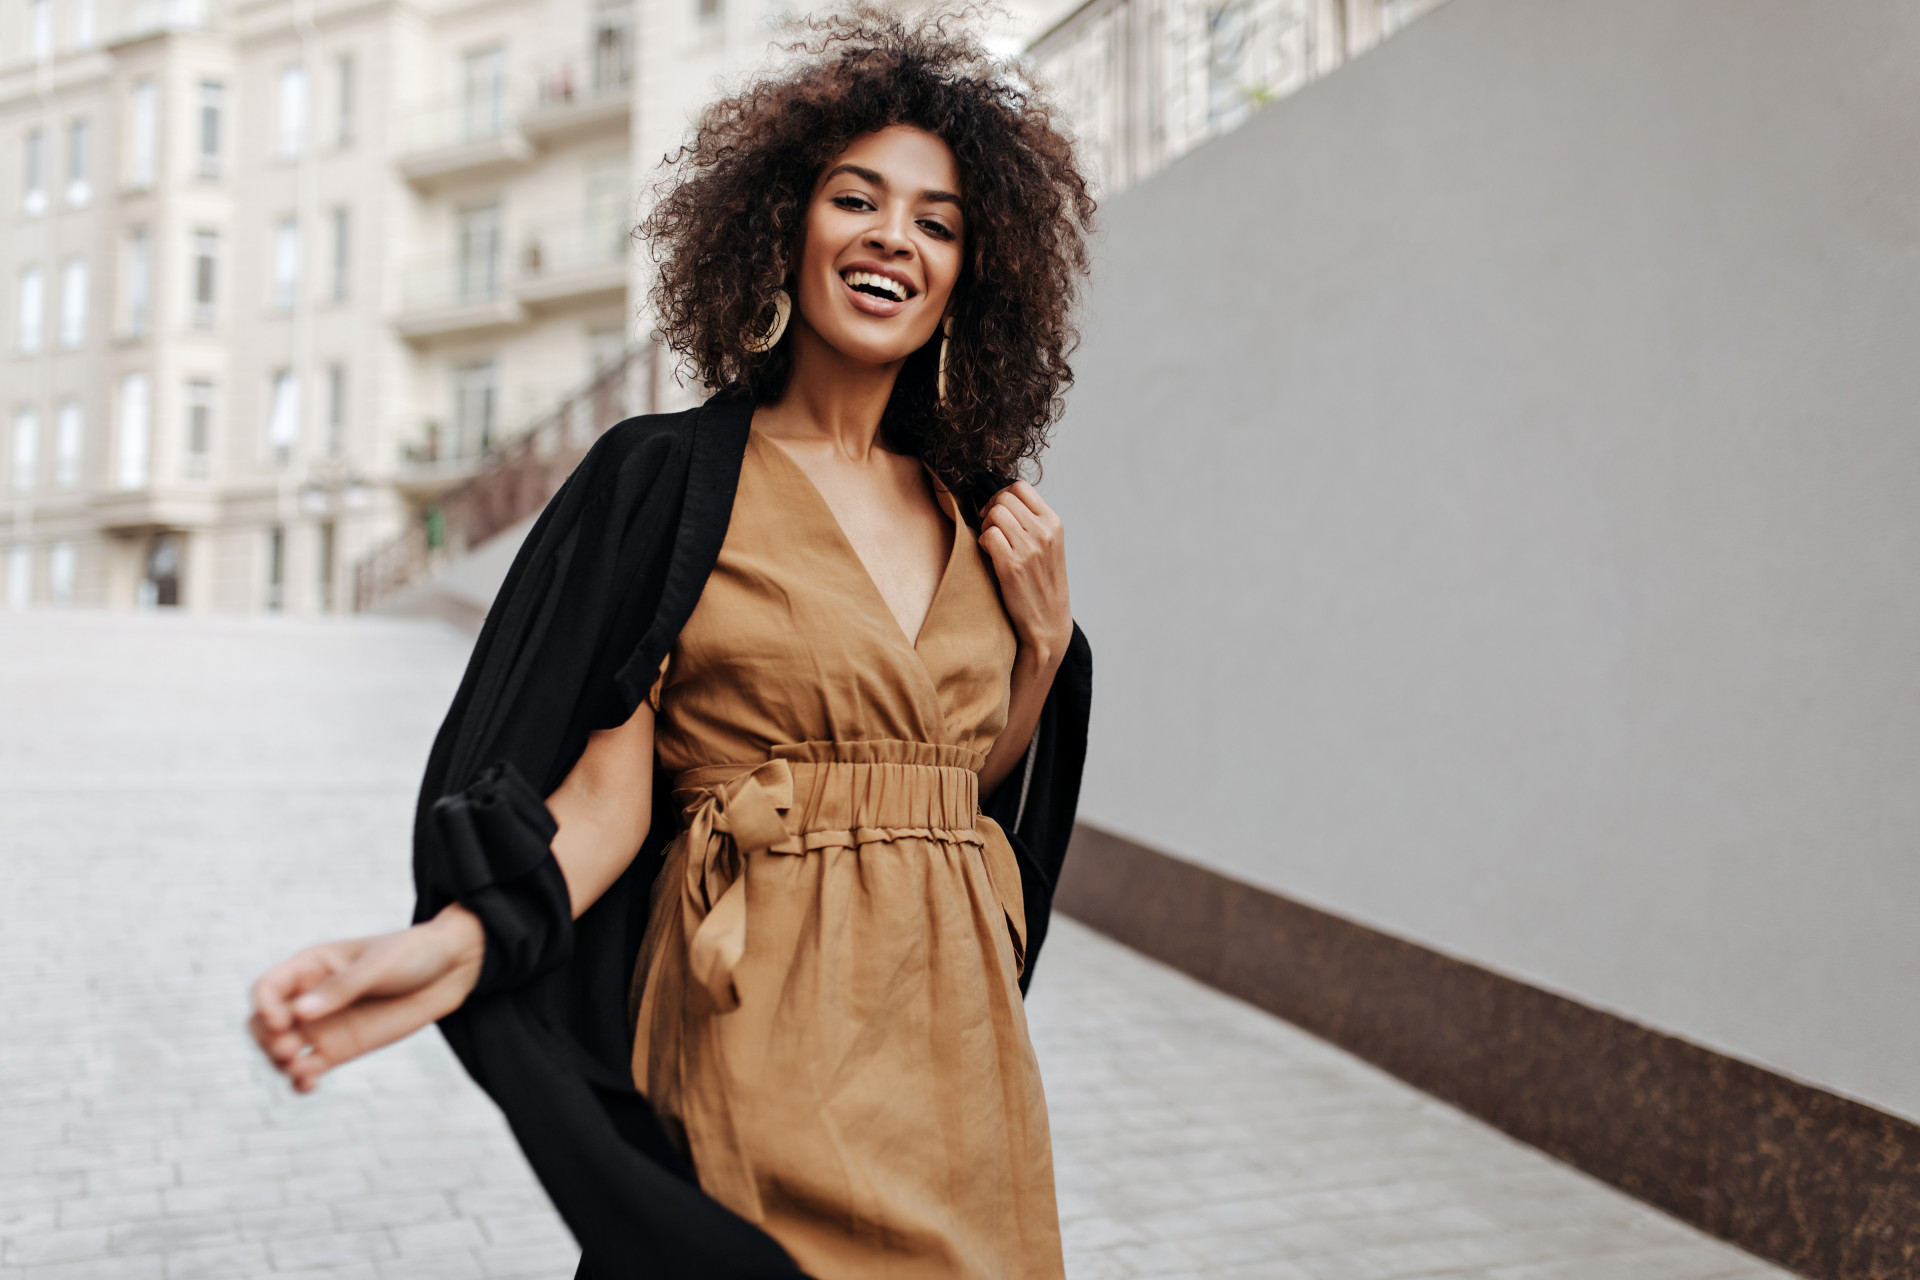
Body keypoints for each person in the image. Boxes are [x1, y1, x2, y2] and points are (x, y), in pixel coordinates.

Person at [248, 10, 1096, 1278]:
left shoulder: (983, 518)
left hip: (960, 1061)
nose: (893, 241)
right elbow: (604, 801)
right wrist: (445, 949)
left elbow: (949, 798)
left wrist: (1037, 655)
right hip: (757, 1035)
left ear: (974, 271)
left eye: (937, 222)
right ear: (781, 225)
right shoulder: (670, 482)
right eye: (855, 199)